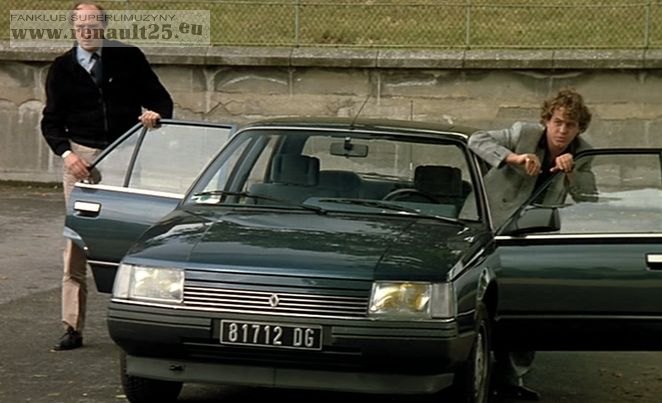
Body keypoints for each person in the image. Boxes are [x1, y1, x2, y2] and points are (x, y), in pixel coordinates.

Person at [41, 2, 173, 351]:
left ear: (104, 27)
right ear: (73, 29)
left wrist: (154, 117)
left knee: (133, 237)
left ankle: (140, 323)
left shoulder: (129, 58)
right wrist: (68, 156)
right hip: (82, 161)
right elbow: (50, 122)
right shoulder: (61, 68)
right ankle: (72, 326)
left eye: (93, 24)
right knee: (75, 242)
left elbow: (162, 102)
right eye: (80, 25)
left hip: (125, 156)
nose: (87, 31)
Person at [468, 88, 595, 400]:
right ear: (546, 121)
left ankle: (512, 380)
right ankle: (472, 371)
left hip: (531, 234)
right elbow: (476, 140)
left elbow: (588, 197)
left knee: (526, 305)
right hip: (490, 225)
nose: (562, 130)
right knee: (478, 300)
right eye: (558, 122)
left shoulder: (583, 152)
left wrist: (572, 173)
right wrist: (513, 158)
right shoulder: (523, 134)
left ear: (579, 129)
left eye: (570, 125)